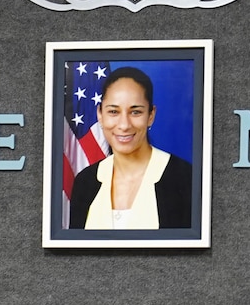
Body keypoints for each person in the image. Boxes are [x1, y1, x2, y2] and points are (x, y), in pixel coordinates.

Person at [68, 68, 192, 230]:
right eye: (113, 111)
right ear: (100, 114)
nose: (124, 125)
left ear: (151, 115)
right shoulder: (85, 182)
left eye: (135, 112)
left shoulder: (185, 178)